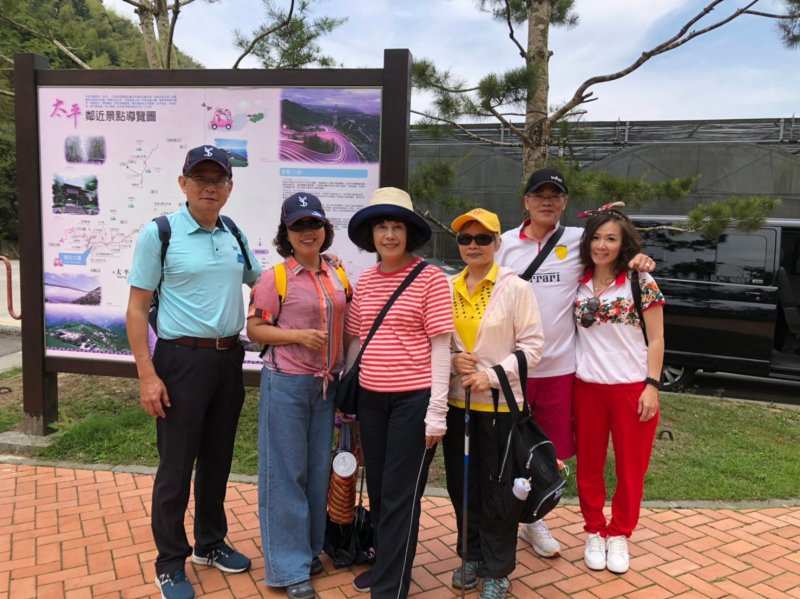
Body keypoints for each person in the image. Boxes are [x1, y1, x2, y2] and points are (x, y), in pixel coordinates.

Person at [496, 168, 655, 557]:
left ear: (565, 203)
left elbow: (611, 243)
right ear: (526, 201)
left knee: (548, 453)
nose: (547, 201)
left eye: (555, 195)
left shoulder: (577, 241)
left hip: (561, 370)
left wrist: (640, 257)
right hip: (513, 368)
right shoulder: (501, 245)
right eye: (539, 194)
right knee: (505, 449)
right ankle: (512, 522)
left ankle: (536, 520)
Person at [126, 145, 261, 599]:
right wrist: (147, 375)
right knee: (176, 466)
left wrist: (319, 267)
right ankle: (169, 561)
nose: (209, 186)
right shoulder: (160, 233)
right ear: (183, 183)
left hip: (228, 360)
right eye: (200, 177)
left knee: (218, 460)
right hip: (179, 361)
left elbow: (263, 283)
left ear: (229, 187)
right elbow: (137, 308)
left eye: (217, 179)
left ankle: (209, 542)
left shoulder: (233, 233)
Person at [344, 187, 453, 598]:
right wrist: (346, 385)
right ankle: (387, 564)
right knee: (380, 490)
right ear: (371, 235)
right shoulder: (367, 281)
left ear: (408, 233)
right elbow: (357, 339)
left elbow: (441, 346)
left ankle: (391, 586)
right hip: (372, 399)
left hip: (414, 400)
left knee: (401, 495)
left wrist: (436, 412)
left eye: (396, 227)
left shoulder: (431, 280)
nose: (389, 235)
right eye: (381, 227)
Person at [246, 193, 350, 599]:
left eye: (314, 225)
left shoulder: (337, 275)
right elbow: (255, 329)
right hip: (286, 384)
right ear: (286, 234)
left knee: (316, 471)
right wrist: (297, 336)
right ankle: (288, 569)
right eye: (298, 226)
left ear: (325, 230)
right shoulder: (276, 278)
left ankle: (307, 552)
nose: (308, 233)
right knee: (285, 475)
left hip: (326, 387)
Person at [443, 208, 544, 599]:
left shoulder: (516, 288)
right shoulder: (448, 286)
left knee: (499, 491)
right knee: (461, 485)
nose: (473, 245)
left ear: (497, 244)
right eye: (465, 239)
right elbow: (442, 342)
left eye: (482, 239)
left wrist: (490, 374)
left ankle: (497, 567)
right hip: (458, 405)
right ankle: (469, 554)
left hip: (501, 406)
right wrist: (453, 359)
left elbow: (533, 348)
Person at [573, 207, 664, 574]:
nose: (602, 245)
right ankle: (594, 529)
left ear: (624, 243)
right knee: (589, 467)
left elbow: (657, 338)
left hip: (632, 389)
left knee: (630, 468)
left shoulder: (640, 281)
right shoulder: (576, 282)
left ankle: (620, 534)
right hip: (587, 388)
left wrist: (652, 385)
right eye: (596, 237)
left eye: (611, 238)